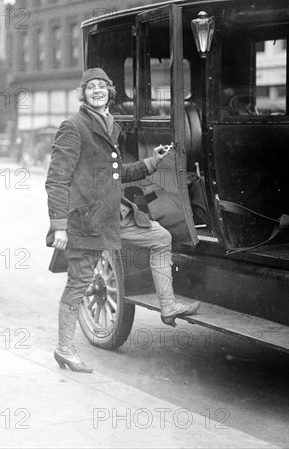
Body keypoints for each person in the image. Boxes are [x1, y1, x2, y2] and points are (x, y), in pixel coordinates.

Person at [45, 68, 200, 373]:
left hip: (114, 215)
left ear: (110, 92)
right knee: (78, 284)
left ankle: (167, 305)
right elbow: (56, 179)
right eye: (91, 87)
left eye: (103, 86)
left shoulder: (108, 124)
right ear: (83, 94)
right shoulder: (73, 126)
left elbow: (118, 175)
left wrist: (153, 161)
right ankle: (64, 349)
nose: (97, 91)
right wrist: (59, 225)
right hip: (86, 222)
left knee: (160, 238)